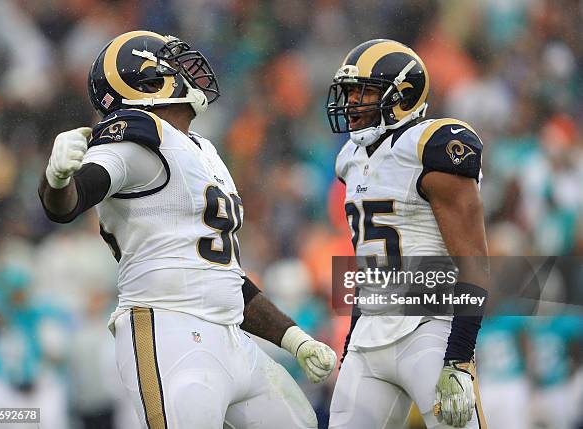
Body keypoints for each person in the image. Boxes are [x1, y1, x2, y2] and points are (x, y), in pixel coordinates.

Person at [38, 30, 337, 429]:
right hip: (169, 329)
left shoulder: (203, 150)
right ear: (146, 82)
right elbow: (71, 201)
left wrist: (292, 338)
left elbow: (224, 277)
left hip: (231, 338)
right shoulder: (135, 139)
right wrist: (57, 179)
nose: (187, 70)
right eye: (172, 62)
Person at [325, 39, 489, 428]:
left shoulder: (431, 146)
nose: (351, 103)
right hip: (369, 335)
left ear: (402, 95)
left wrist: (460, 359)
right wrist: (350, 342)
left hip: (429, 328)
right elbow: (370, 269)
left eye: (363, 91)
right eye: (349, 91)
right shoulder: (350, 158)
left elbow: (475, 265)